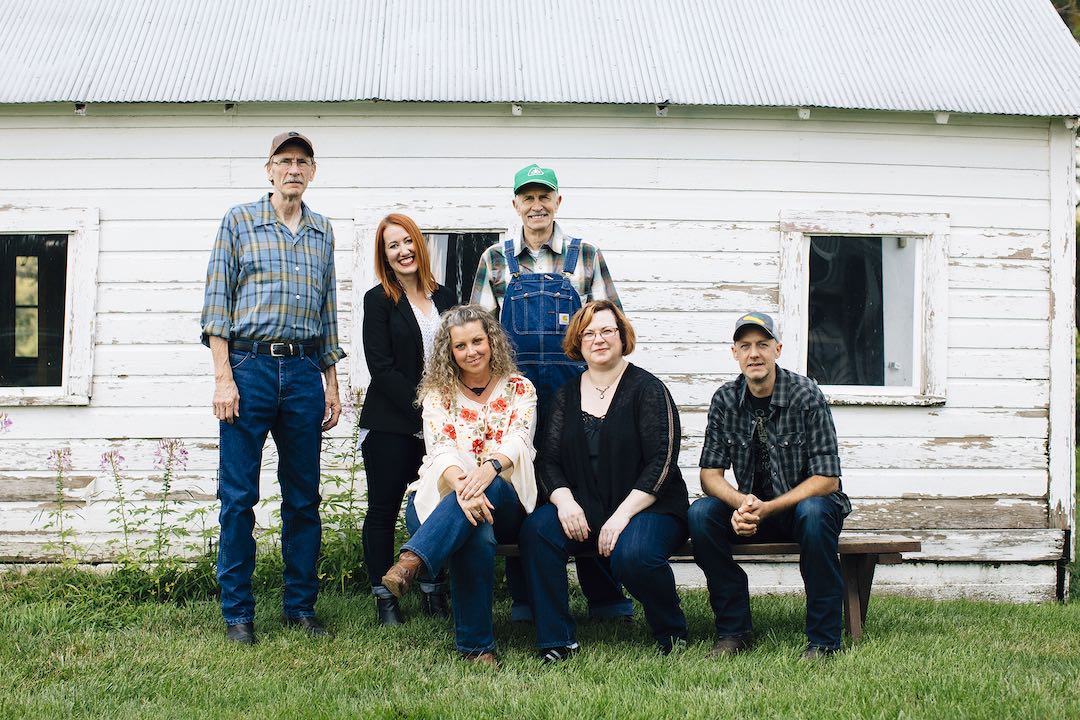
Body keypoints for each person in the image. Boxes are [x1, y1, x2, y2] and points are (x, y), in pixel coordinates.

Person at [470, 163, 631, 623]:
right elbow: (479, 333)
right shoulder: (494, 260)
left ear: (558, 202)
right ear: (516, 204)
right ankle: (525, 599)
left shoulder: (586, 256)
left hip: (578, 394)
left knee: (586, 481)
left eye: (545, 197)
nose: (536, 206)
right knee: (522, 486)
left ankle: (605, 596)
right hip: (514, 397)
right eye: (528, 197)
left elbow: (612, 327)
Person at [201, 131, 344, 645]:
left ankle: (300, 606)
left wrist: (330, 382)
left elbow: (327, 312)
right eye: (285, 161)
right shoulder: (239, 221)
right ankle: (237, 612)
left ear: (313, 172)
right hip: (249, 368)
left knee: (303, 498)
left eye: (303, 162)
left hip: (303, 371)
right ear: (269, 169)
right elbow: (217, 305)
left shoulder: (322, 231)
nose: (294, 169)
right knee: (239, 497)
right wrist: (224, 378)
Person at [519, 301, 690, 660]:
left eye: (607, 331)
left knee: (634, 555)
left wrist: (621, 516)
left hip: (649, 507)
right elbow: (547, 460)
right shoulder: (565, 395)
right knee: (537, 531)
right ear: (578, 343)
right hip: (585, 504)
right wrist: (565, 501)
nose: (598, 339)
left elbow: (662, 462)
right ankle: (557, 640)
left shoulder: (648, 389)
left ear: (622, 337)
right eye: (589, 334)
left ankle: (671, 630)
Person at [381, 305, 538, 665]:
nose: (471, 352)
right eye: (461, 346)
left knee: (489, 493)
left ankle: (412, 559)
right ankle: (477, 649)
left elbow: (519, 439)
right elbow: (441, 448)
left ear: (492, 341)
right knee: (476, 531)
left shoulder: (519, 388)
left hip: (504, 500)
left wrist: (489, 470)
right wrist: (463, 488)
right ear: (449, 351)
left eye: (477, 341)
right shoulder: (439, 393)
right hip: (442, 499)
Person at [688, 312, 850, 660]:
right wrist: (741, 505)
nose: (754, 354)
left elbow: (827, 479)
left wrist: (767, 508)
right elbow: (710, 475)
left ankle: (823, 641)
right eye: (745, 346)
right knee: (701, 513)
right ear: (734, 353)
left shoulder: (806, 394)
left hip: (804, 510)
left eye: (762, 344)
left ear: (778, 349)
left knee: (814, 512)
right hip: (754, 509)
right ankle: (734, 631)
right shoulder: (725, 399)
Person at [358, 213, 456, 625]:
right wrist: (424, 410)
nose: (403, 251)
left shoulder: (446, 297)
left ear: (420, 243)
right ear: (384, 256)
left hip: (443, 426)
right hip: (391, 424)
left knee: (436, 506)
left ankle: (434, 590)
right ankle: (385, 598)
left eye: (407, 241)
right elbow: (381, 368)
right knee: (384, 510)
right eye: (392, 246)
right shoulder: (378, 300)